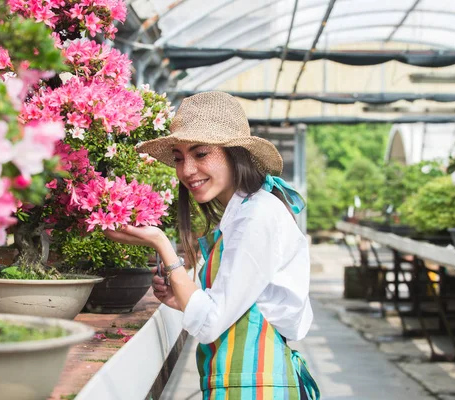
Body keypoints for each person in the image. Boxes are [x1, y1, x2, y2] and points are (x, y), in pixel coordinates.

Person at [104, 91, 319, 399]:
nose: (187, 170)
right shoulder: (242, 215)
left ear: (235, 154)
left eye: (201, 154)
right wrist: (182, 299)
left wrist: (161, 243)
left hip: (254, 387)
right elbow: (235, 305)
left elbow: (209, 325)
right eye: (179, 158)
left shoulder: (256, 218)